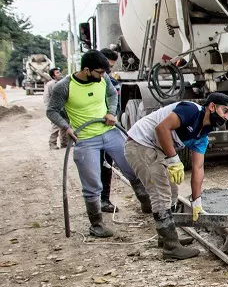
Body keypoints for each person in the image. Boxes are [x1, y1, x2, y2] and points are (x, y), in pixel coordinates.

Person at [46, 50, 151, 237]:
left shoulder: (103, 80)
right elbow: (52, 110)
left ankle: (147, 204)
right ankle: (96, 225)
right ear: (86, 70)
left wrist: (111, 111)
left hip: (110, 133)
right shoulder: (64, 86)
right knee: (92, 184)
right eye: (99, 73)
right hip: (85, 140)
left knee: (133, 167)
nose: (103, 76)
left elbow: (112, 95)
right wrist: (66, 126)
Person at [124, 92, 228, 260]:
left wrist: (196, 200)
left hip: (156, 149)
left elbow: (198, 167)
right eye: (224, 111)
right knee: (161, 194)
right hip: (140, 144)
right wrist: (174, 160)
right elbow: (161, 128)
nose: (226, 117)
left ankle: (167, 237)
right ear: (212, 106)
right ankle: (171, 248)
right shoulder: (190, 110)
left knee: (173, 192)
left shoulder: (203, 133)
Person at [99, 49, 122, 212]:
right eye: (106, 67)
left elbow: (115, 99)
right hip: (91, 132)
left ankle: (104, 200)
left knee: (107, 165)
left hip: (109, 130)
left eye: (111, 68)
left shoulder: (110, 82)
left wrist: (112, 113)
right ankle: (96, 202)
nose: (108, 71)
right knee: (96, 166)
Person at [42, 68, 67, 150]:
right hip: (55, 109)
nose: (59, 74)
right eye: (57, 73)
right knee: (55, 126)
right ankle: (52, 144)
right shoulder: (50, 85)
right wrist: (50, 108)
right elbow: (46, 97)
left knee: (64, 125)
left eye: (59, 72)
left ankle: (64, 143)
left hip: (63, 108)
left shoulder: (63, 83)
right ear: (53, 75)